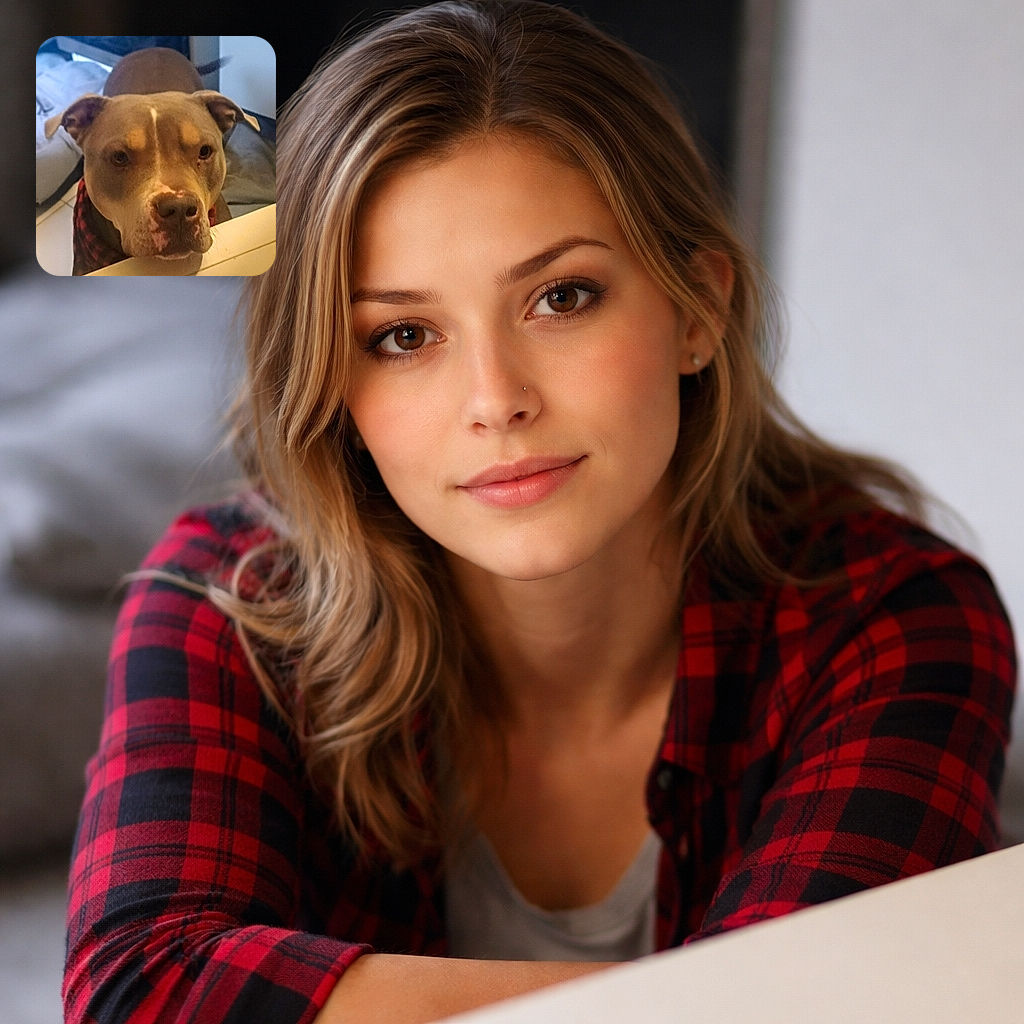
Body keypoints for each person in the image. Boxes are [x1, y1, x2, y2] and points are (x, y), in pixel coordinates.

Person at [62, 2, 1016, 1022]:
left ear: (696, 309)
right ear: (332, 383)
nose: (495, 397)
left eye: (560, 296)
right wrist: (720, 997)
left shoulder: (895, 614)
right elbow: (141, 989)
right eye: (401, 335)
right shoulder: (225, 602)